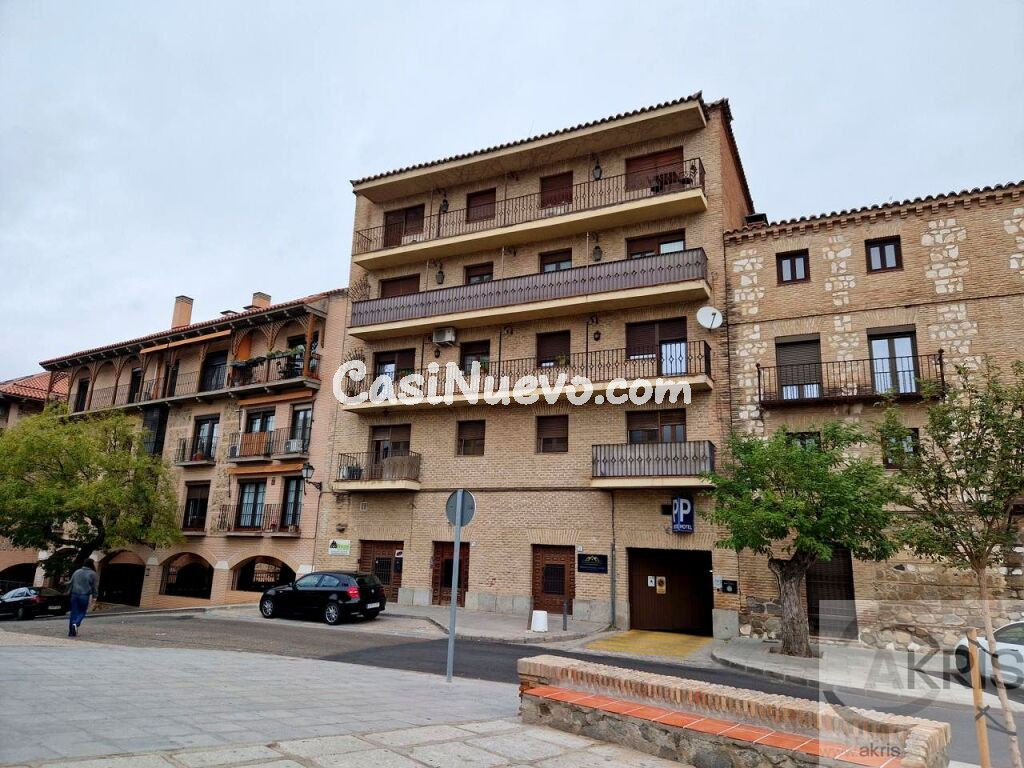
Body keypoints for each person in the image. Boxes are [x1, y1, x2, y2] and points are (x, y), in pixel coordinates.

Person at [66, 561, 98, 637]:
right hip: (84, 595)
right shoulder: (92, 574)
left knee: (73, 613)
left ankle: (71, 632)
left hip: (74, 595)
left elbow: (71, 583)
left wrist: (68, 592)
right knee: (82, 611)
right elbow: (94, 587)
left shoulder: (77, 572)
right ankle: (76, 623)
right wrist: (94, 596)